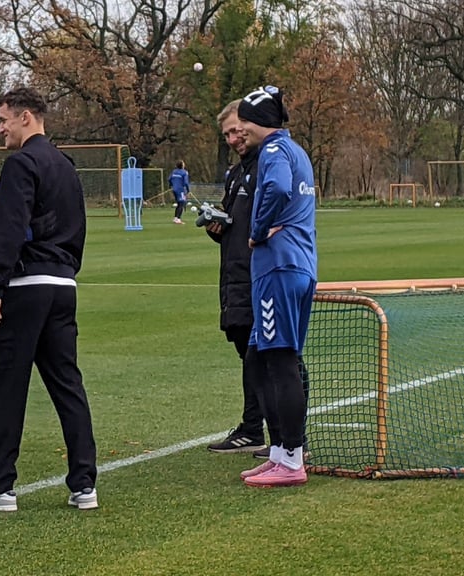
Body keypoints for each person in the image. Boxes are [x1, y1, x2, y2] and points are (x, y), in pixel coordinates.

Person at [0, 86, 98, 512]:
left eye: (3, 119)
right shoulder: (65, 165)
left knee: (6, 387)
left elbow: (8, 227)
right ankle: (84, 484)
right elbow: (78, 226)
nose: (0, 128)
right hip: (63, 285)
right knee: (68, 385)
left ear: (25, 117)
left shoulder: (21, 163)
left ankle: (1, 487)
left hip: (25, 285)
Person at [235, 85, 317, 488]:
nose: (240, 131)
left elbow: (279, 188)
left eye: (244, 123)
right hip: (297, 266)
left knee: (280, 360)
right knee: (257, 359)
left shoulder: (273, 151)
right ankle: (280, 453)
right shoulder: (296, 150)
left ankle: (292, 459)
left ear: (259, 122)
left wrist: (257, 230)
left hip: (279, 268)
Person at [203, 100, 268, 455]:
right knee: (249, 353)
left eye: (236, 131)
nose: (232, 139)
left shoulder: (269, 165)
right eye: (227, 134)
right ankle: (253, 427)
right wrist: (217, 226)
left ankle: (291, 438)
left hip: (261, 276)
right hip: (235, 276)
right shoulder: (236, 172)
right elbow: (234, 224)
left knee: (274, 355)